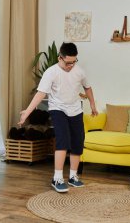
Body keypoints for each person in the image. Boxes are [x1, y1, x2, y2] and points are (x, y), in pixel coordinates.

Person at [18, 42, 98, 193]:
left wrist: (93, 105)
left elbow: (87, 87)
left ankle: (73, 176)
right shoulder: (51, 72)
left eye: (74, 62)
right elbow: (41, 93)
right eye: (68, 62)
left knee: (77, 142)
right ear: (59, 57)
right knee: (63, 140)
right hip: (58, 109)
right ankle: (57, 178)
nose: (71, 65)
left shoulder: (79, 71)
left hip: (75, 109)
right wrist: (27, 112)